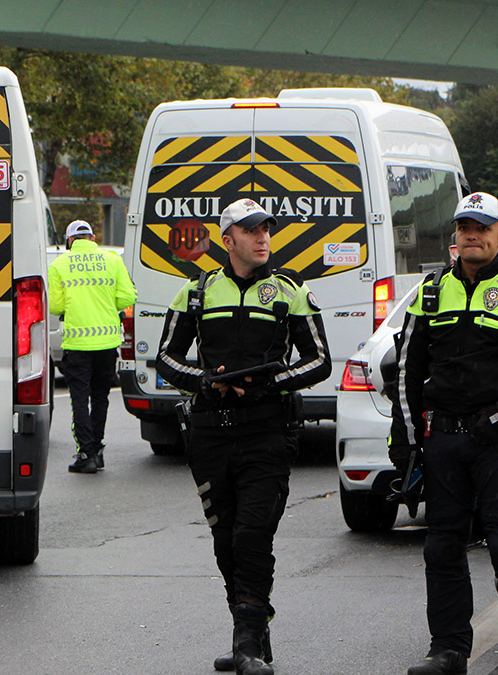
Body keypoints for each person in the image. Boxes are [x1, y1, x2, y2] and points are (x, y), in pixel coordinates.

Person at [156, 198, 330, 675]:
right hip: (210, 435)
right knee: (226, 540)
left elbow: (319, 361)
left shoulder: (289, 291)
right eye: (251, 232)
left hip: (267, 433)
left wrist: (265, 381)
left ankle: (248, 642)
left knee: (254, 534)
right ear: (227, 239)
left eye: (266, 231)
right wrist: (206, 380)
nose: (262, 239)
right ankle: (249, 632)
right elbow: (166, 360)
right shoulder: (195, 293)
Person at [388, 192, 498, 675]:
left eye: (483, 228)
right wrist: (406, 436)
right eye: (465, 227)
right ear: (455, 237)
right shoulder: (429, 292)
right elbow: (408, 370)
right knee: (441, 545)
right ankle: (447, 651)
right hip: (442, 441)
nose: (473, 235)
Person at [48, 219, 136, 474]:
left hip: (77, 344)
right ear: (93, 238)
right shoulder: (112, 260)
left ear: (70, 241)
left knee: (79, 399)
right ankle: (96, 451)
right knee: (100, 397)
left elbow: (55, 306)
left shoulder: (60, 264)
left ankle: (85, 453)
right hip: (107, 343)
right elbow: (128, 297)